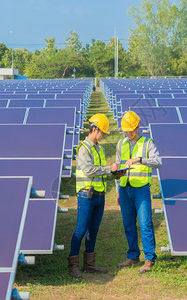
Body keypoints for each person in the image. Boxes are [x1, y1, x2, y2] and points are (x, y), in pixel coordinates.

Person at [67, 113, 119, 278]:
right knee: (81, 229)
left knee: (93, 231)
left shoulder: (99, 148)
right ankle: (73, 265)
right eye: (102, 132)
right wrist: (108, 169)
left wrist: (116, 173)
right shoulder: (84, 149)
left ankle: (89, 264)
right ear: (94, 129)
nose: (103, 135)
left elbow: (101, 171)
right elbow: (89, 170)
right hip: (86, 196)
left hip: (100, 195)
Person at [115, 111, 162, 273]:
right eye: (126, 130)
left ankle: (149, 258)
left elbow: (158, 162)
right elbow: (117, 166)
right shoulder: (121, 144)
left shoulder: (147, 143)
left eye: (131, 129)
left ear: (137, 127)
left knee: (145, 224)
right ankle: (133, 256)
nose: (128, 132)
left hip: (141, 190)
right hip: (124, 189)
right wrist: (117, 190)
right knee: (128, 224)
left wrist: (140, 160)